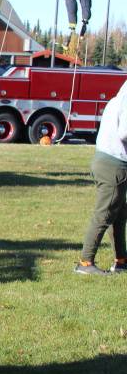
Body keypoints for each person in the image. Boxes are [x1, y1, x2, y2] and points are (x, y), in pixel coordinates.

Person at [76, 79, 127, 275]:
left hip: (105, 160)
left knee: (119, 215)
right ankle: (85, 262)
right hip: (114, 164)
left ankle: (121, 260)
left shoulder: (115, 100)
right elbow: (124, 133)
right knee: (104, 214)